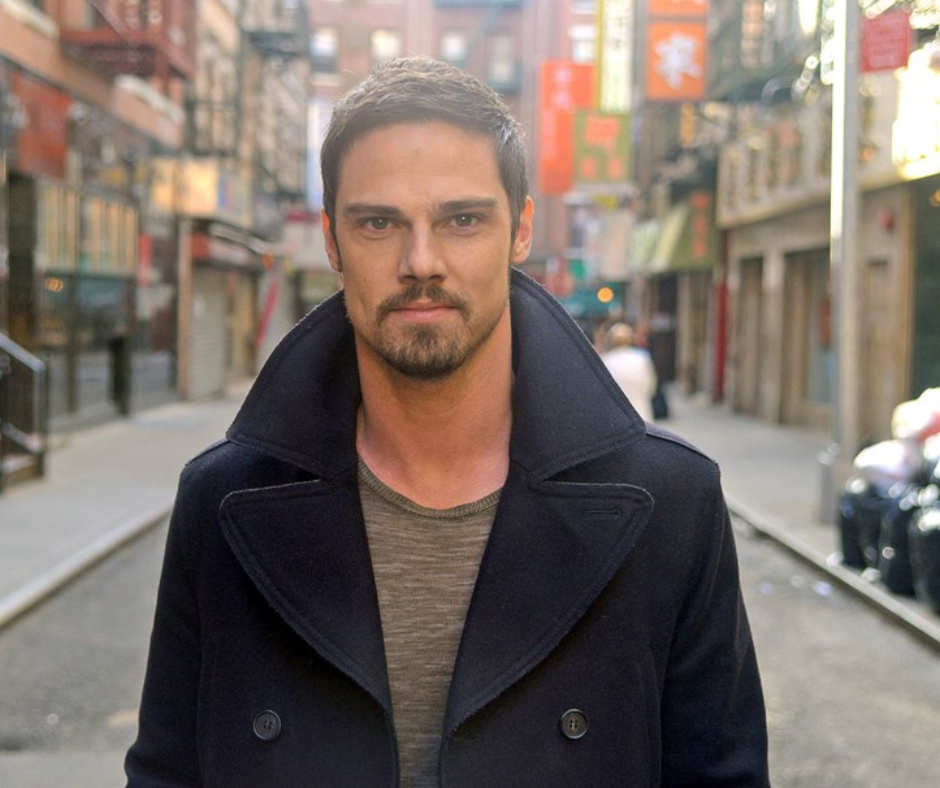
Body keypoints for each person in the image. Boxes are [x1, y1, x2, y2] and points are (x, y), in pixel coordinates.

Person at [125, 57, 768, 787]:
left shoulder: (671, 503)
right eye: (378, 223)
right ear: (333, 242)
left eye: (462, 219)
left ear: (520, 229)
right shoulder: (222, 502)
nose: (420, 261)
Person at [601, 322, 658, 422]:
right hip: (641, 411)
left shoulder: (605, 360)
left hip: (614, 416)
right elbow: (650, 386)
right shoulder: (642, 359)